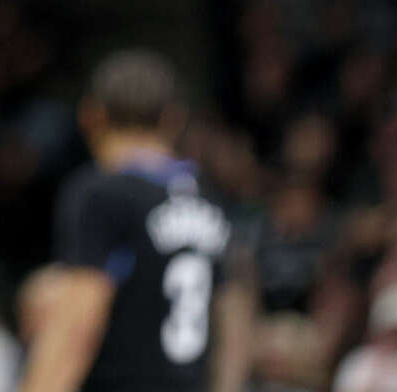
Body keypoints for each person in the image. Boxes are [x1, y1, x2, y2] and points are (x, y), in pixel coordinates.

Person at [22, 51, 252, 392]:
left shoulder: (101, 192)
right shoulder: (207, 199)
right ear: (173, 119)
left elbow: (77, 326)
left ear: (91, 116)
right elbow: (235, 320)